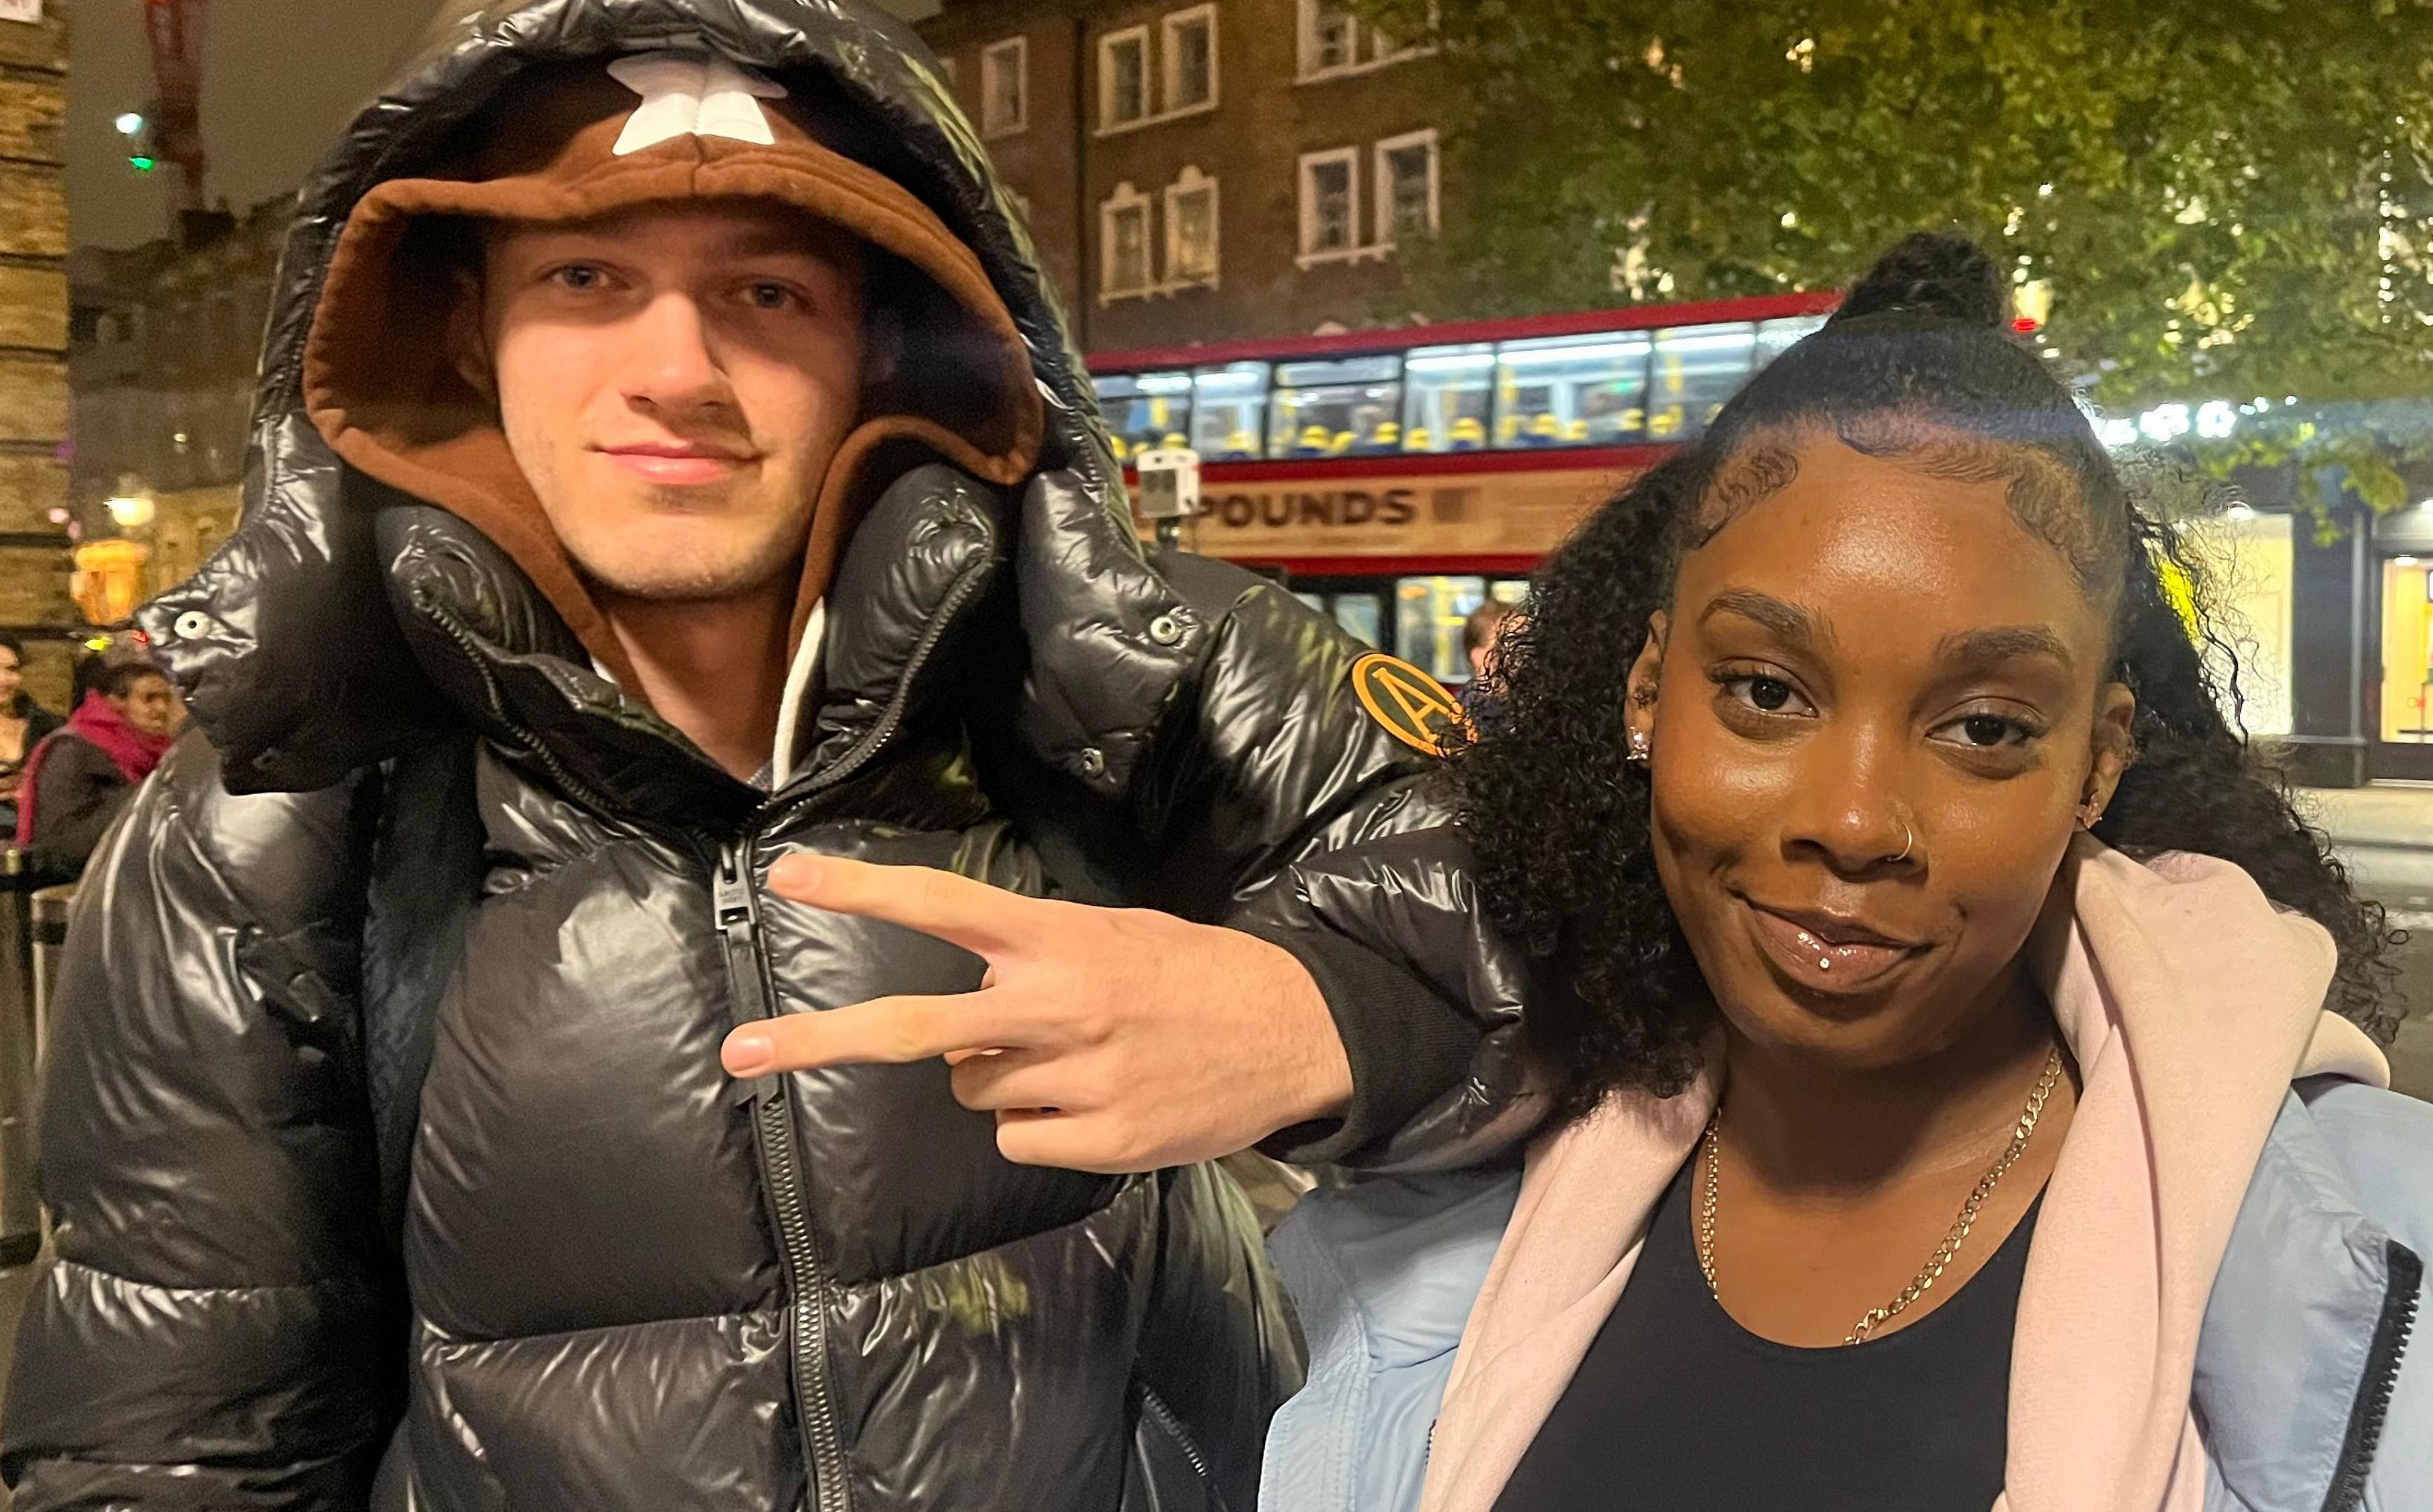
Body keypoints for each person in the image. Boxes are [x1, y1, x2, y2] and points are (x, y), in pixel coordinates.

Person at [1, 4, 1525, 1506]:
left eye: (768, 292)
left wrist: (1321, 1009)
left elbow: (1561, 888)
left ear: (875, 335)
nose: (677, 368)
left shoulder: (1113, 659)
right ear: (470, 326)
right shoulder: (266, 820)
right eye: (588, 277)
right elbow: (168, 1444)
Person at [1259, 233, 2433, 1512]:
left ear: (2097, 762)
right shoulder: (1408, 1246)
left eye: (1986, 726)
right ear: (1648, 695)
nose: (1858, 817)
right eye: (1764, 691)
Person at [13, 662, 175, 882]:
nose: (161, 709)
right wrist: (147, 790)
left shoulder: (160, 752)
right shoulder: (72, 752)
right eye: (149, 699)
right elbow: (63, 847)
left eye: (167, 699)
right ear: (114, 702)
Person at [0, 636, 64, 838]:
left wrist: (33, 793)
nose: (3, 679)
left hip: (41, 851)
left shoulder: (51, 727)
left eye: (11, 669)